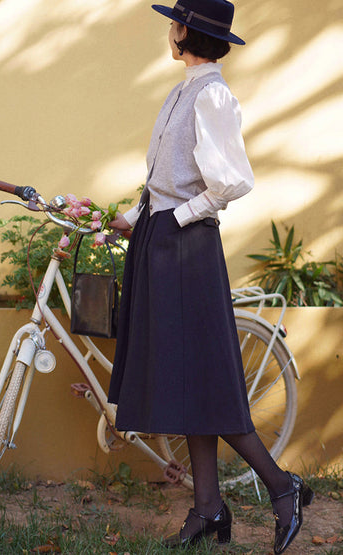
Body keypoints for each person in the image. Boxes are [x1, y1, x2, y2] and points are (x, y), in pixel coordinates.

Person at [107, 1, 313, 552]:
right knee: (185, 383)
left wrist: (175, 218)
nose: (169, 31)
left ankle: (282, 486)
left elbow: (231, 182)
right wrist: (128, 218)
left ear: (185, 32)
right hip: (161, 241)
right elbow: (165, 179)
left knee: (206, 382)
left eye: (173, 22)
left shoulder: (213, 95)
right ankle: (208, 508)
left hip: (187, 248)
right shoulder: (183, 88)